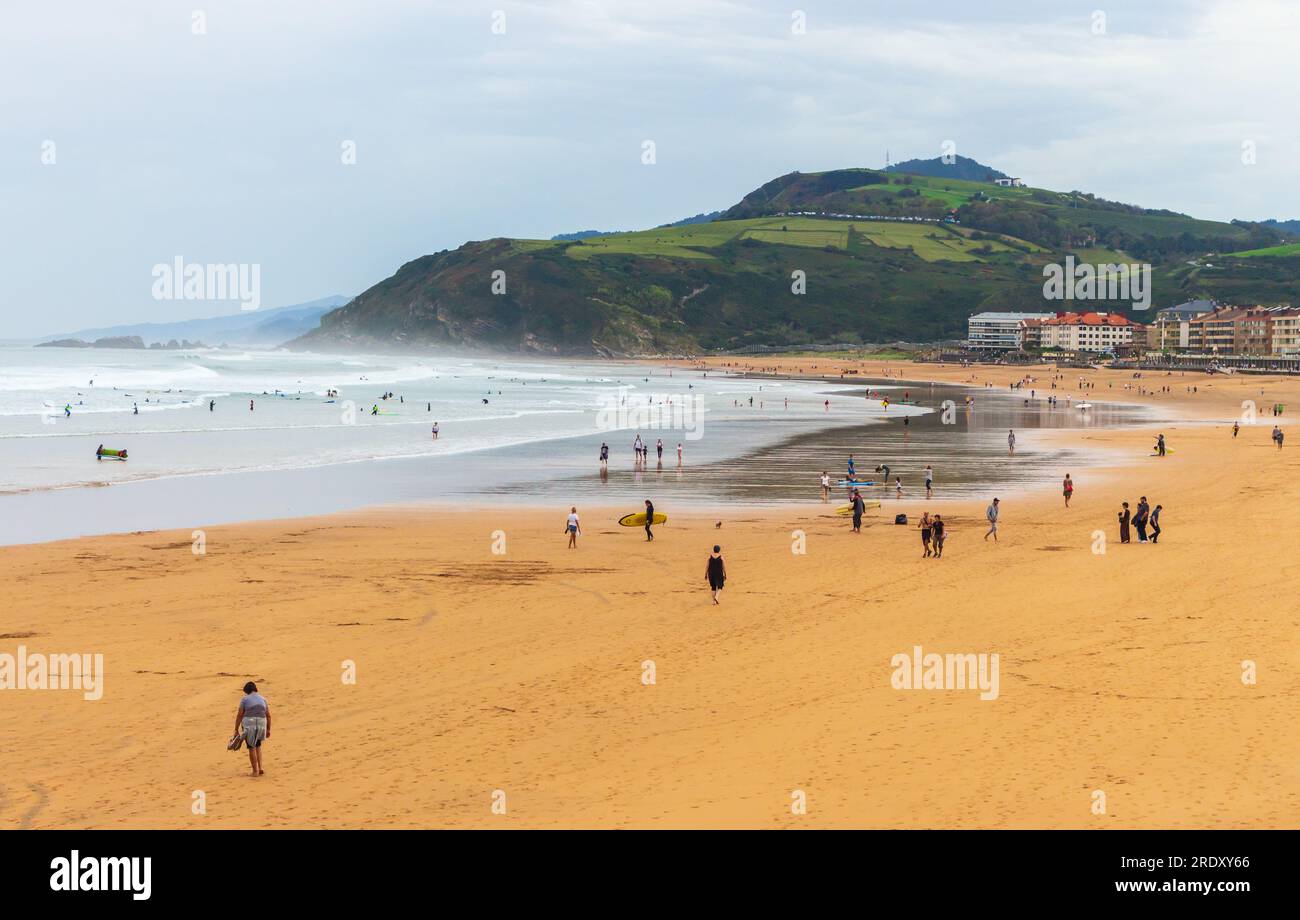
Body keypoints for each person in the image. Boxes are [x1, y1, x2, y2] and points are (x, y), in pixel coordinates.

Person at [234, 681, 270, 777]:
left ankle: (255, 771)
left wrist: (236, 729)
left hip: (249, 723)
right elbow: (268, 715)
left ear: (246, 691)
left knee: (251, 747)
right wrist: (268, 729)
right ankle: (260, 767)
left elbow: (240, 714)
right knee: (258, 745)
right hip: (262, 722)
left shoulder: (244, 699)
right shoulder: (263, 699)